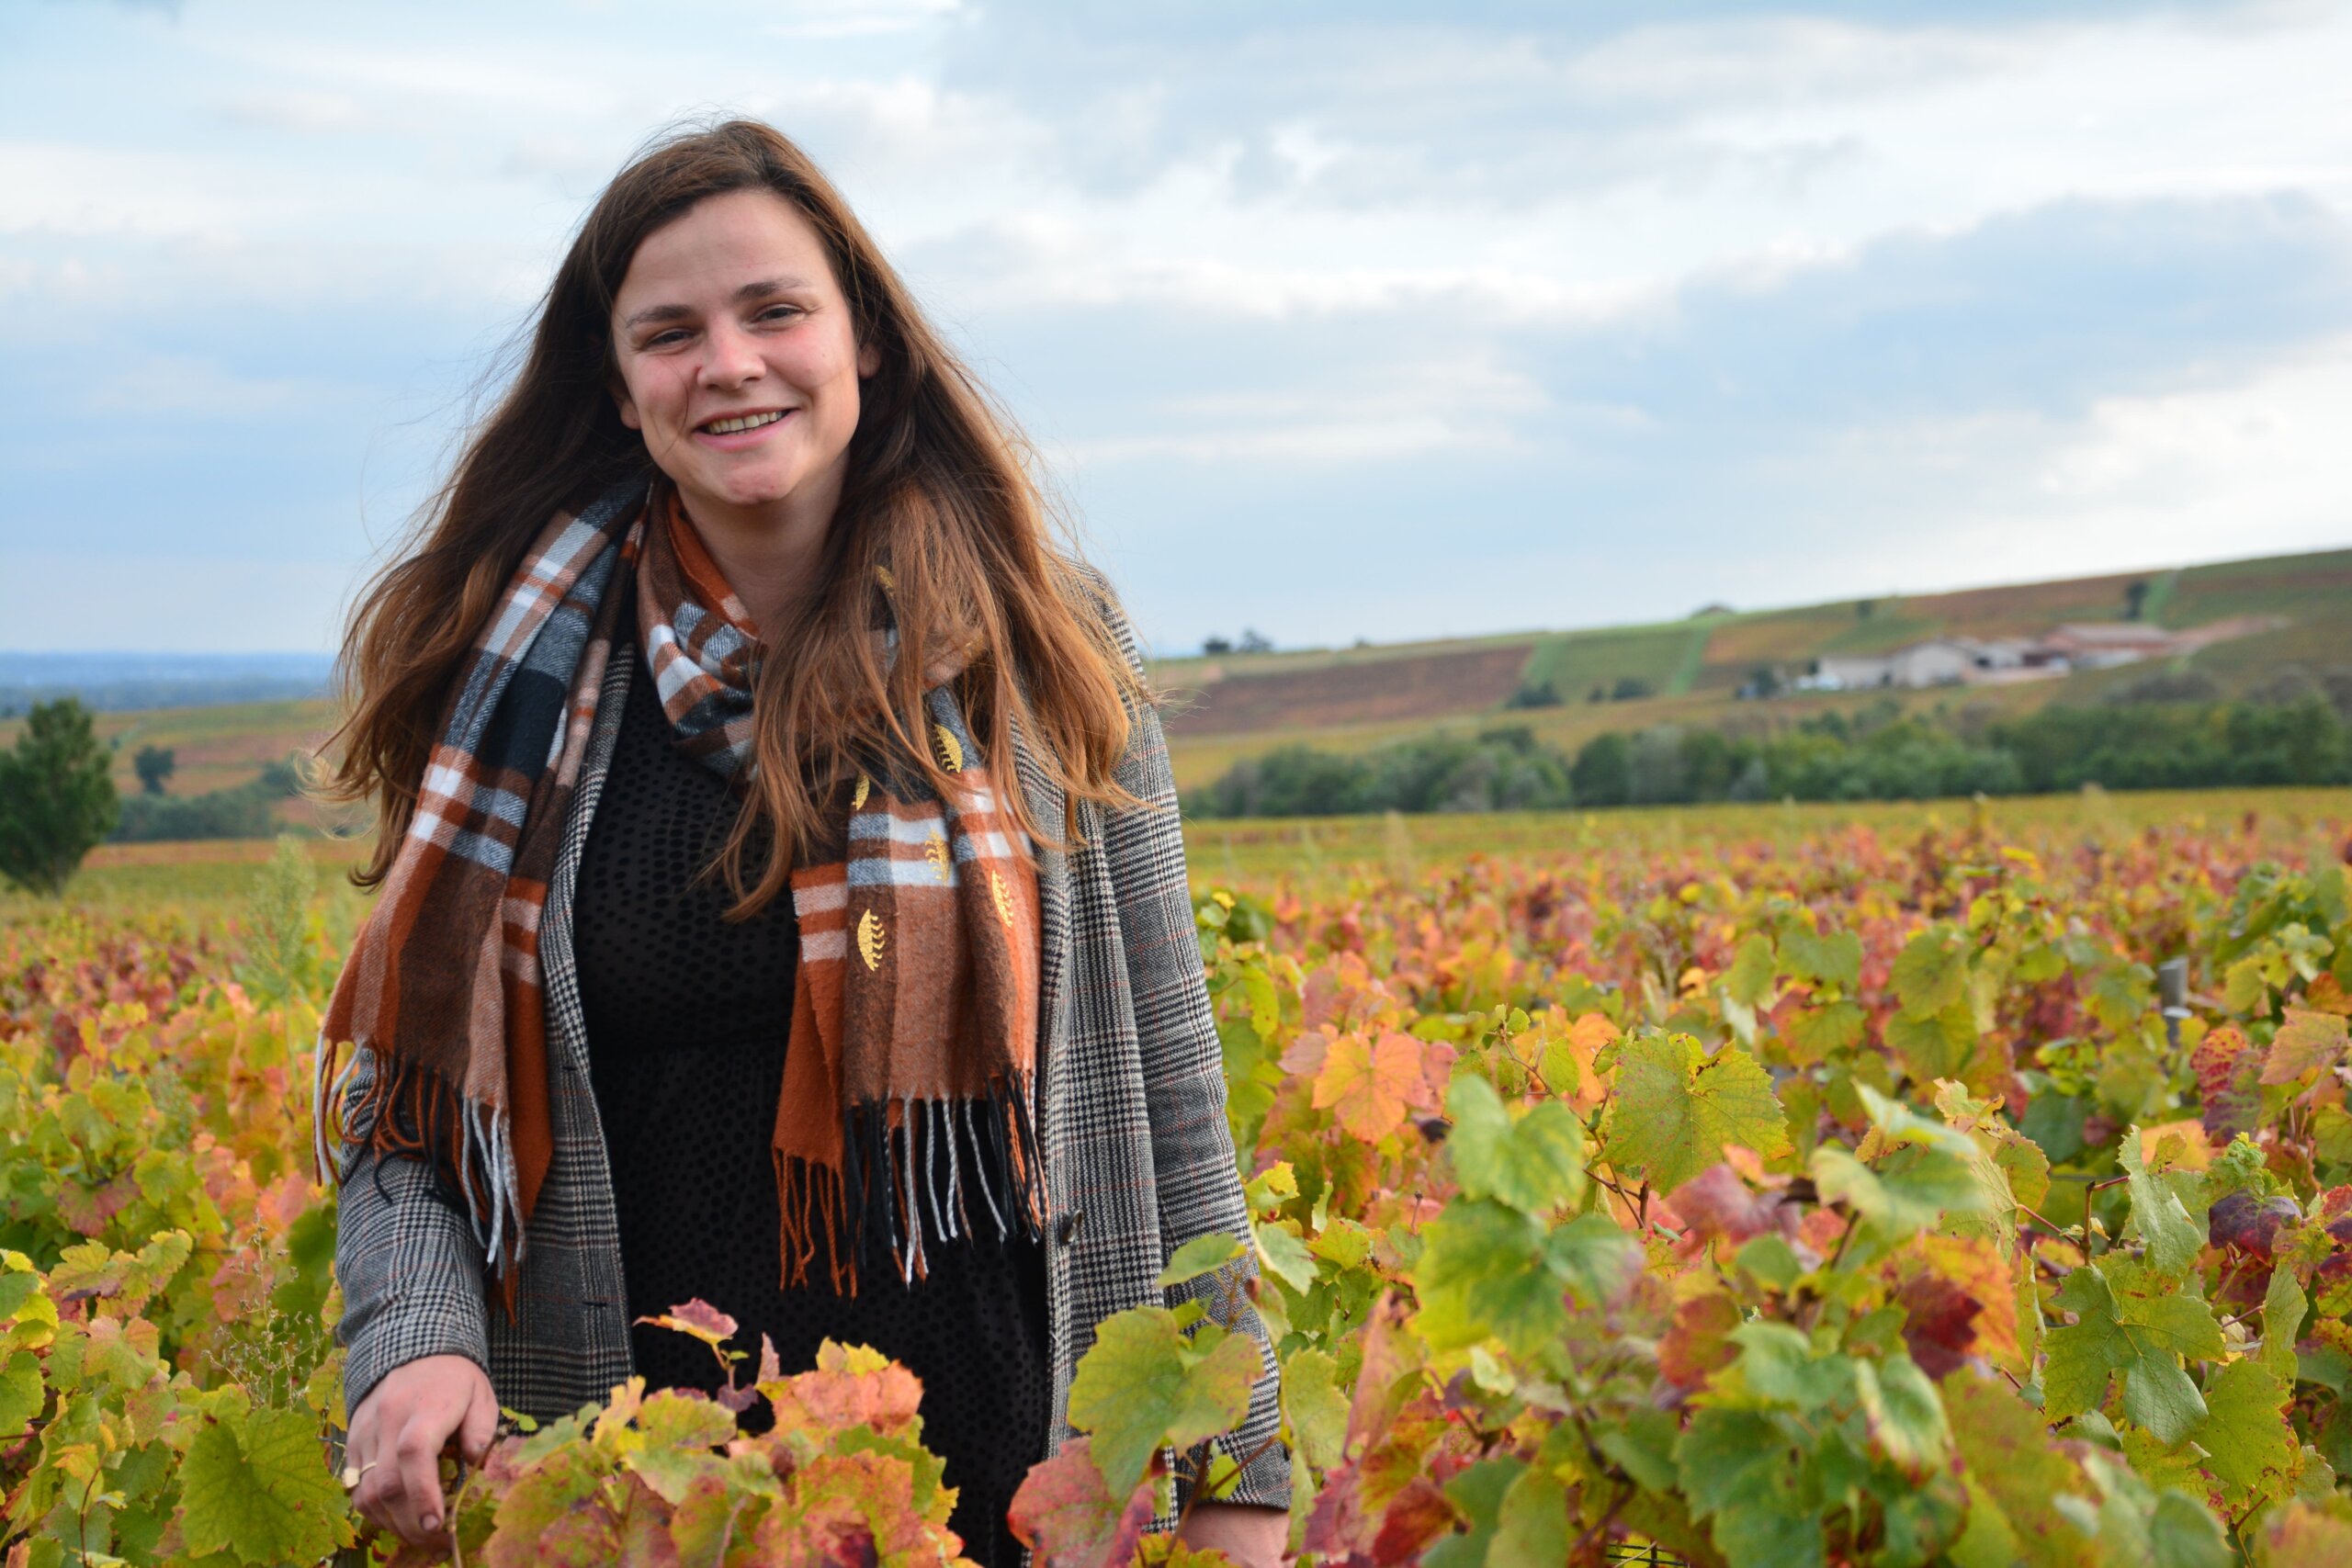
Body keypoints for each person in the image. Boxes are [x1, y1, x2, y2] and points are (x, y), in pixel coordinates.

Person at [315, 119, 1288, 1568]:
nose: (730, 362)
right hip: (639, 1493)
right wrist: (414, 1335)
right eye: (671, 332)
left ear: (868, 341)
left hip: (1003, 1488)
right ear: (621, 383)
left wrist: (1238, 1477)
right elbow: (400, 1111)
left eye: (774, 309)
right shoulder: (509, 684)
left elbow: (1169, 1090)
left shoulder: (1040, 651)